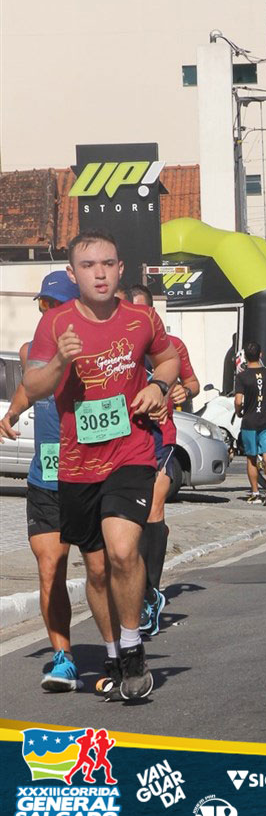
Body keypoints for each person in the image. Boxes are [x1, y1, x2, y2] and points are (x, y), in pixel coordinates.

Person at [23, 229, 180, 701]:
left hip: (131, 452)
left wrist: (157, 385)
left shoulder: (141, 317)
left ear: (120, 268)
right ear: (73, 274)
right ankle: (112, 654)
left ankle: (131, 648)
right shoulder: (55, 325)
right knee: (95, 570)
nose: (100, 273)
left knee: (122, 550)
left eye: (108, 264)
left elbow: (168, 359)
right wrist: (60, 362)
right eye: (88, 266)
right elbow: (34, 386)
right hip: (76, 463)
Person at [0, 271, 83, 691]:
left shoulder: (93, 346)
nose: (46, 312)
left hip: (90, 473)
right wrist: (11, 413)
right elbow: (28, 390)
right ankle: (63, 657)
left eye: (53, 305)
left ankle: (122, 643)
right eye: (42, 305)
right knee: (50, 568)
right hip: (47, 475)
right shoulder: (31, 350)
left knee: (104, 570)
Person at [129, 284, 200, 634]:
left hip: (161, 439)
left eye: (143, 311)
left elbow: (193, 382)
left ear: (153, 312)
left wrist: (185, 389)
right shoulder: (118, 346)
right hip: (126, 441)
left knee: (154, 510)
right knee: (133, 521)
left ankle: (150, 595)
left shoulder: (171, 346)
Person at [234, 340, 266, 505]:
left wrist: (239, 411)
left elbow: (238, 400)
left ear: (245, 357)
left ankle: (255, 492)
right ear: (261, 355)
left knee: (251, 458)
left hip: (250, 422)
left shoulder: (241, 376)